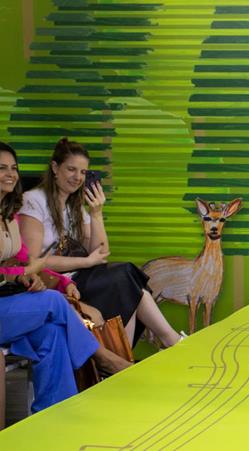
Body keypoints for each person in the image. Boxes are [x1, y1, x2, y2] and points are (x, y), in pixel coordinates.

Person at [0, 141, 131, 414]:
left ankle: (55, 415)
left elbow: (28, 264)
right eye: (2, 168)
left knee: (53, 334)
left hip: (8, 304)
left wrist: (63, 281)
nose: (10, 174)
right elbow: (22, 268)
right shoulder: (32, 203)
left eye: (13, 168)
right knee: (53, 301)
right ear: (55, 168)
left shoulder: (9, 216)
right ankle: (103, 358)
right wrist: (21, 274)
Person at [18, 138, 184, 348]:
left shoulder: (74, 206)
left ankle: (155, 346)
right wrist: (86, 262)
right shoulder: (33, 200)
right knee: (126, 278)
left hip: (77, 277)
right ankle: (168, 341)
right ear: (55, 168)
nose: (78, 177)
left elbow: (100, 252)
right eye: (71, 169)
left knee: (129, 283)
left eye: (83, 172)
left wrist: (96, 213)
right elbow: (33, 261)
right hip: (53, 282)